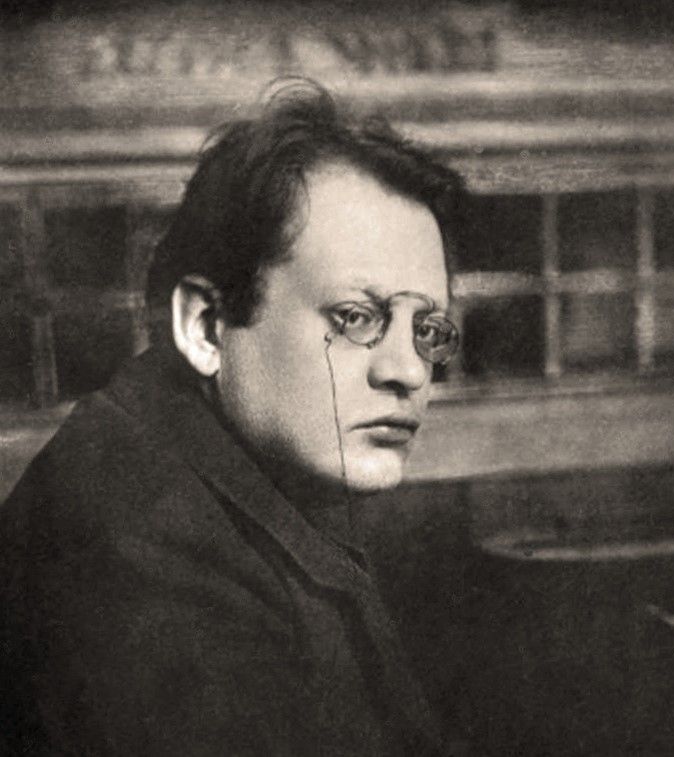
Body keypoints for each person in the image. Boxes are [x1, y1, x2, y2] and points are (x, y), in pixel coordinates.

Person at [0, 81, 465, 756]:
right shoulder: (138, 561)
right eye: (355, 317)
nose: (411, 371)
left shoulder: (202, 461)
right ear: (206, 326)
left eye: (428, 329)